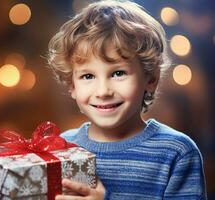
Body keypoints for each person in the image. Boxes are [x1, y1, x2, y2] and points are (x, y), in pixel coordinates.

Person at [47, 0, 207, 199]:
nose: (103, 91)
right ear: (72, 86)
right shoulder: (61, 148)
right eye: (88, 76)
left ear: (151, 78)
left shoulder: (177, 153)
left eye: (118, 73)